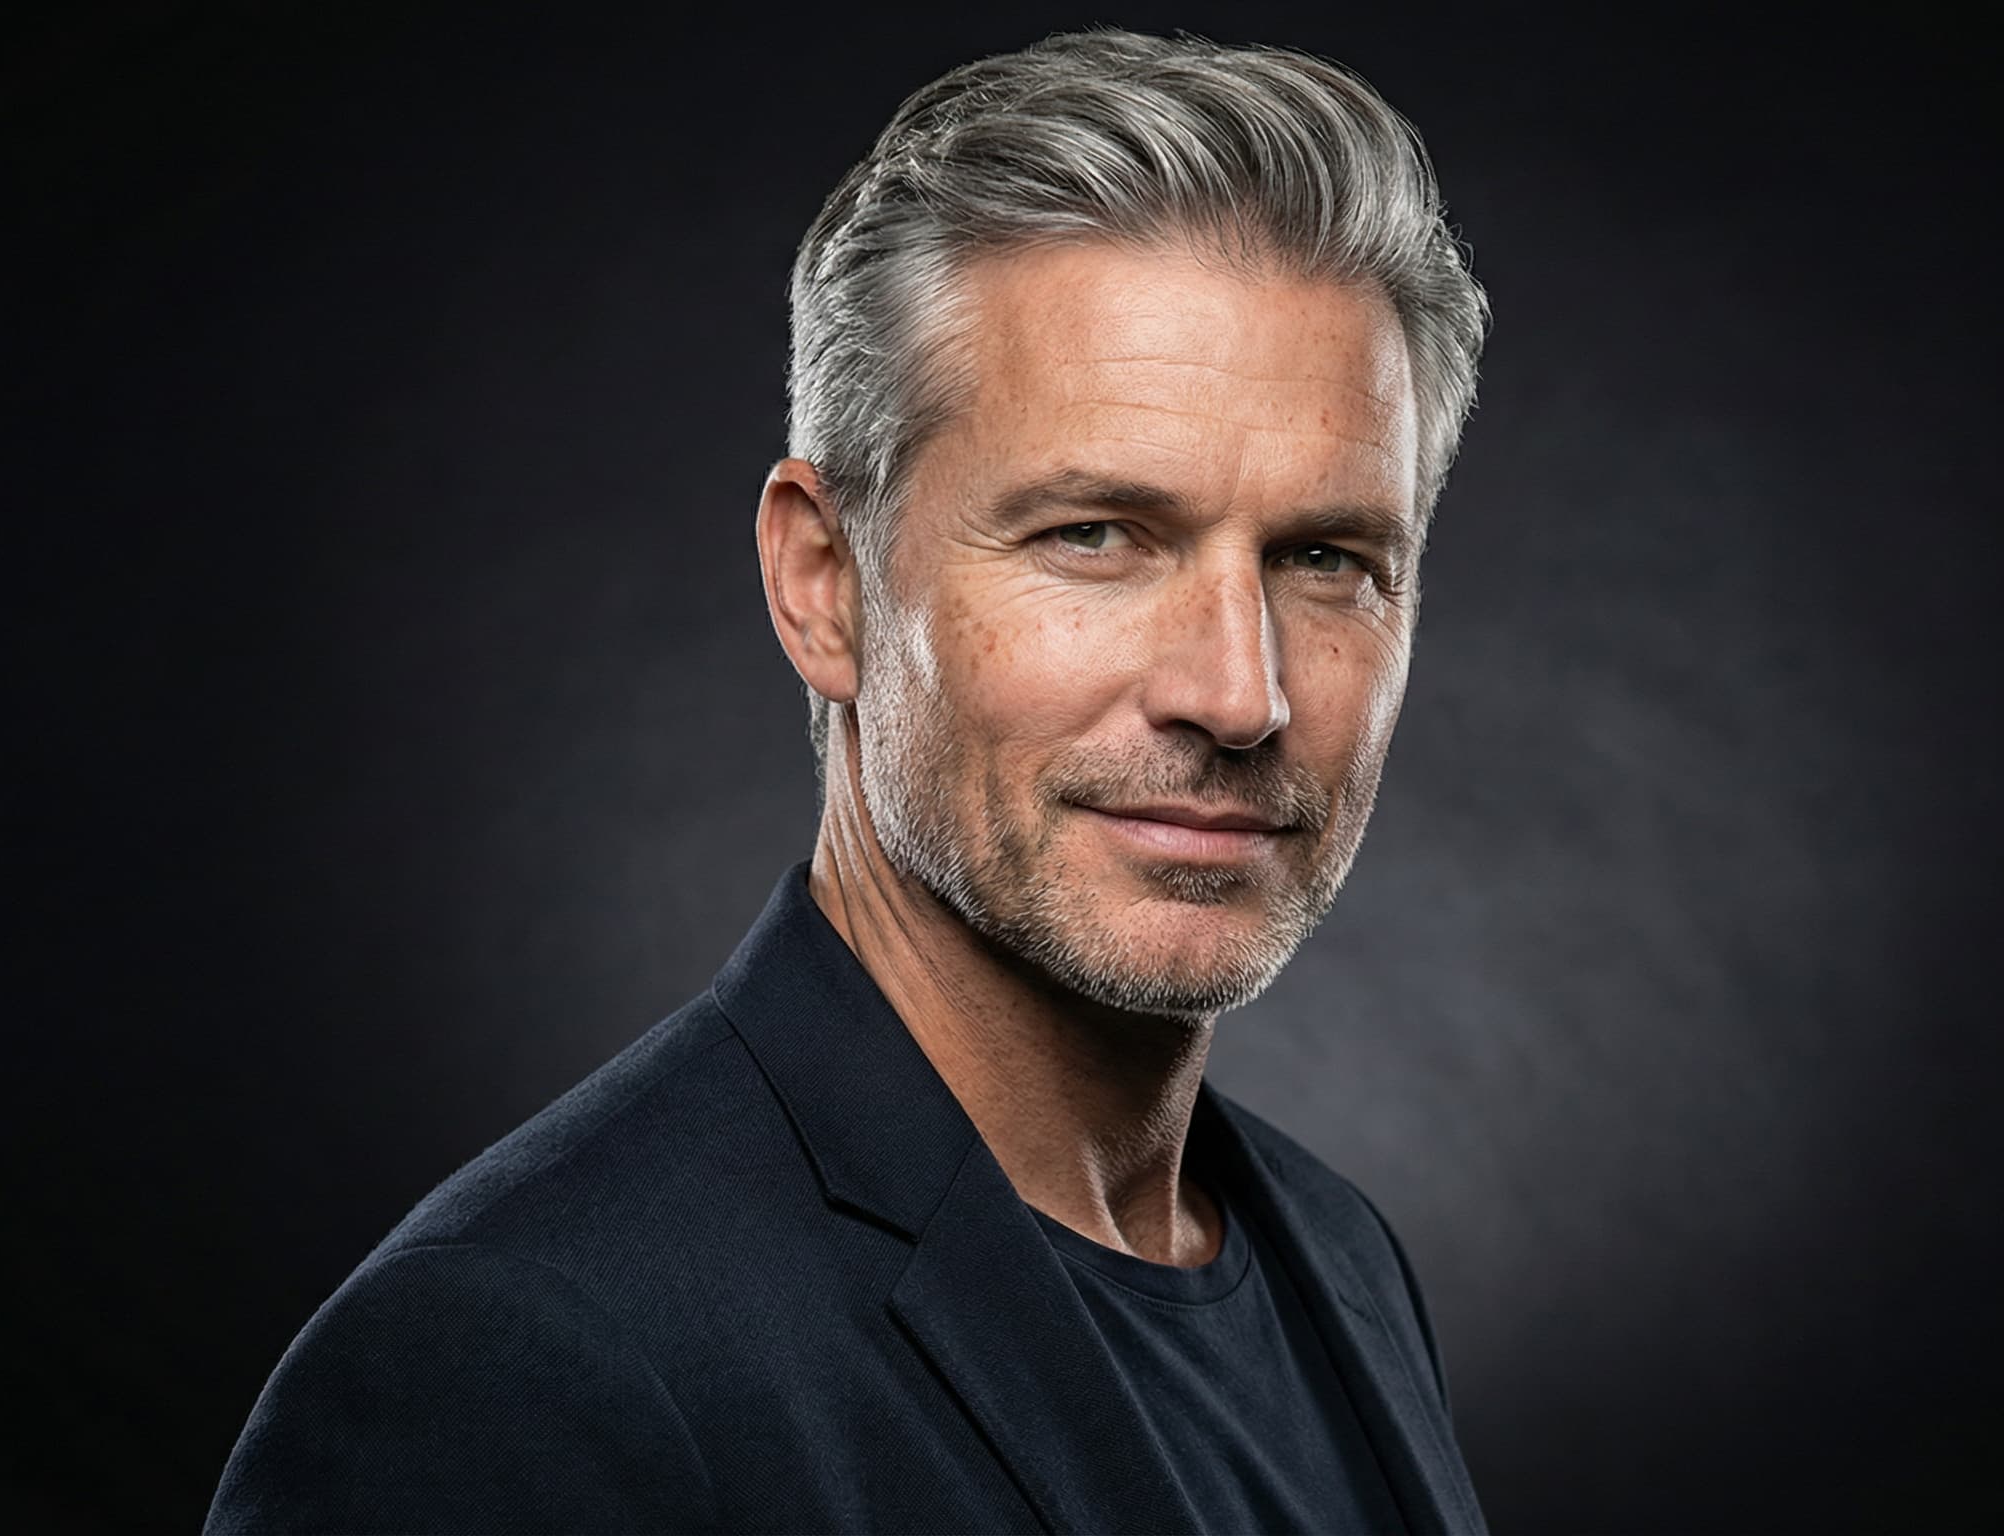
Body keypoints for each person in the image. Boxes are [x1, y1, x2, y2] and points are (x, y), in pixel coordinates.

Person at [206, 27, 1490, 1535]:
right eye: (1095, 535)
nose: (1238, 690)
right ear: (825, 583)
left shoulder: (1337, 1263)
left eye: (1327, 559)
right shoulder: (516, 1363)